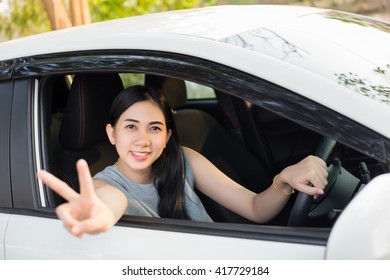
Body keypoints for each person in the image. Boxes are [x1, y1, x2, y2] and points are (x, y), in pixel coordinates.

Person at [37, 85, 328, 238]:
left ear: (167, 136)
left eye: (154, 128)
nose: (143, 140)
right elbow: (107, 203)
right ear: (111, 134)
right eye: (130, 127)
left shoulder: (184, 159)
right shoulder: (105, 185)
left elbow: (254, 208)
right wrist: (98, 216)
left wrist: (283, 181)